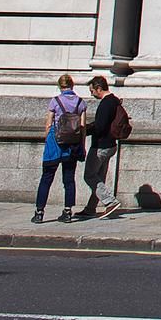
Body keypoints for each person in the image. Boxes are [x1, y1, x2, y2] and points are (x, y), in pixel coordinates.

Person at [33, 74, 87, 223]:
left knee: (46, 178)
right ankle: (68, 212)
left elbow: (48, 124)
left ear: (60, 86)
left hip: (55, 144)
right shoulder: (81, 103)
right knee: (69, 180)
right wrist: (82, 146)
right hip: (72, 145)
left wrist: (48, 140)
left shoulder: (55, 101)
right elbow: (82, 127)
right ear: (72, 85)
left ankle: (39, 212)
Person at [82, 76, 124, 216]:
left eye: (92, 90)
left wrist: (84, 130)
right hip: (111, 144)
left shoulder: (106, 104)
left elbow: (100, 127)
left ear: (99, 88)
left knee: (89, 175)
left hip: (101, 145)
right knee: (99, 176)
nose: (92, 94)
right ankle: (90, 208)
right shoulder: (114, 101)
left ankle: (110, 202)